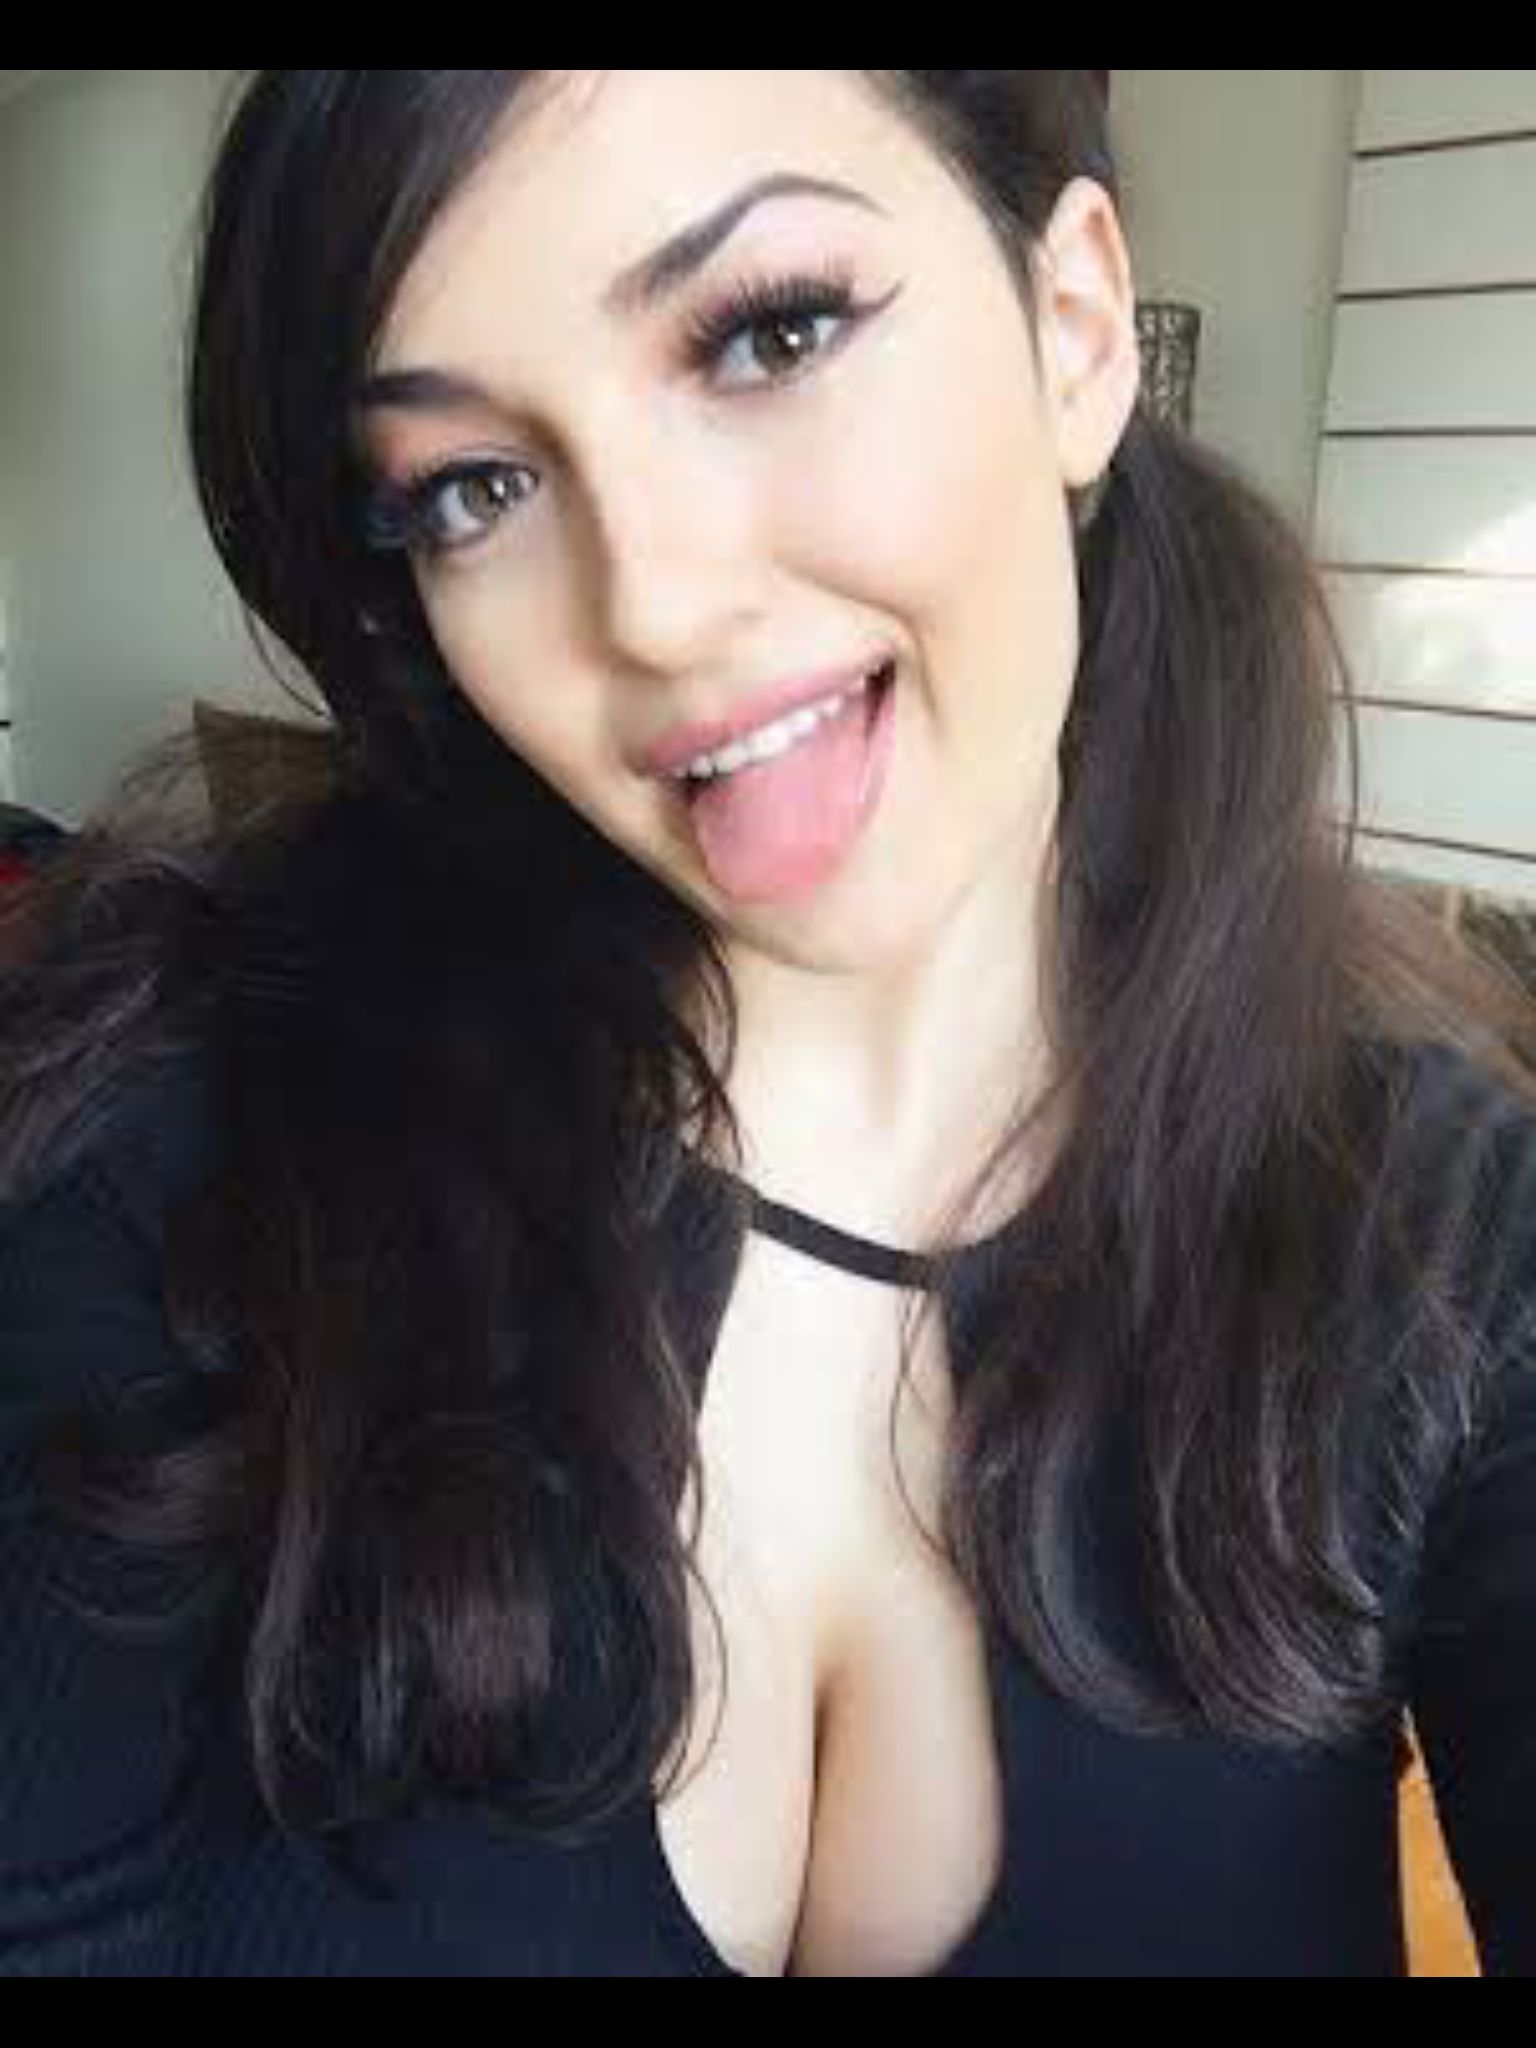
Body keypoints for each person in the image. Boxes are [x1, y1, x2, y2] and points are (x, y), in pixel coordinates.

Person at [1, 68, 1533, 1980]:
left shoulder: (1439, 1237)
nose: (650, 608)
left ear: (1074, 328)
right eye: (473, 487)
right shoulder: (176, 1150)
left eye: (772, 335)